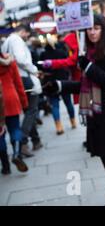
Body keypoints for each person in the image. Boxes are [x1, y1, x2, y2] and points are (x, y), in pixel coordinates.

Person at [43, 14, 105, 206]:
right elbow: (86, 85)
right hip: (97, 123)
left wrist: (87, 65)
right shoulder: (90, 53)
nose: (92, 32)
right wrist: (60, 85)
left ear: (104, 29)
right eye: (89, 29)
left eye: (96, 28)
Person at [2, 24, 43, 157]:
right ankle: (23, 142)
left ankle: (36, 140)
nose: (27, 37)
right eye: (26, 34)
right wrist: (34, 70)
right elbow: (21, 59)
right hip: (25, 78)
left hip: (17, 79)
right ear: (23, 32)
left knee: (28, 111)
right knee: (32, 110)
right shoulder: (17, 40)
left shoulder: (7, 40)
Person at [41, 32, 81, 126]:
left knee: (55, 105)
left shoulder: (43, 54)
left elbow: (69, 62)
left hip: (51, 82)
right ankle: (73, 122)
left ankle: (58, 126)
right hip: (63, 81)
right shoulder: (62, 52)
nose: (66, 46)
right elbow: (68, 63)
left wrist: (50, 64)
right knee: (68, 103)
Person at [0, 53, 29, 173]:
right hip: (11, 98)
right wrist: (24, 102)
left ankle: (5, 167)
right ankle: (17, 154)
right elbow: (18, 83)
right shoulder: (9, 60)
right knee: (15, 129)